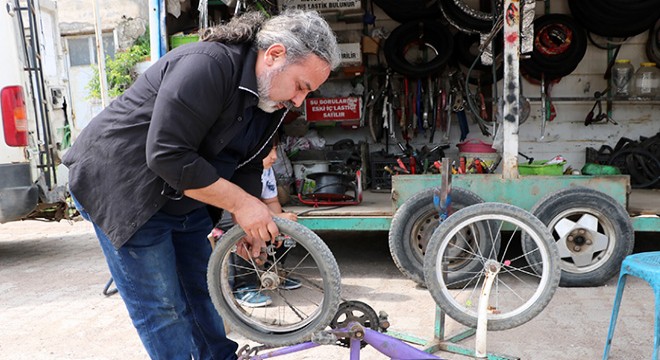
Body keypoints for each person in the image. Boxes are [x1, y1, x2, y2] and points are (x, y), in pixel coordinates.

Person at [62, 10, 340, 360]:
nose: (300, 100)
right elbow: (167, 155)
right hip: (124, 188)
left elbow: (249, 163)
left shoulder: (272, 101)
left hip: (183, 194)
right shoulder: (208, 65)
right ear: (274, 55)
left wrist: (248, 219)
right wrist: (242, 205)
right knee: (163, 306)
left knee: (202, 292)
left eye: (308, 92)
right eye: (301, 86)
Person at [211, 142, 299, 308]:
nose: (274, 157)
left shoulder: (268, 172)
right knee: (246, 231)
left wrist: (279, 219)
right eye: (268, 152)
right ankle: (244, 287)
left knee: (284, 227)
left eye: (274, 150)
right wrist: (273, 217)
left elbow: (272, 201)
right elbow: (239, 207)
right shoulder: (236, 169)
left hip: (258, 213)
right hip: (227, 214)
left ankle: (272, 271)